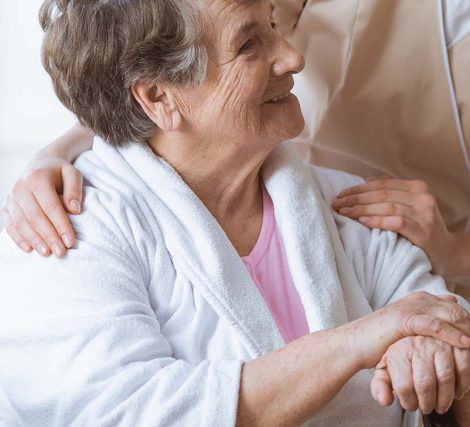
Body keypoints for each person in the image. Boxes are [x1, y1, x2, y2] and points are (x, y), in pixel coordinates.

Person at [1, 0, 470, 426]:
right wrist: (357, 342)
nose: (293, 58)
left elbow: (440, 323)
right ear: (159, 98)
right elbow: (117, 410)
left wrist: (433, 347)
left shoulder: (346, 207)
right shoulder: (67, 232)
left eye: (273, 24)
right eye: (249, 43)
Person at [3, 0, 469, 298]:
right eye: (252, 40)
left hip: (418, 275)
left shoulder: (451, 23)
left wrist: (456, 255)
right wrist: (53, 153)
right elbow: (154, 85)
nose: (292, 59)